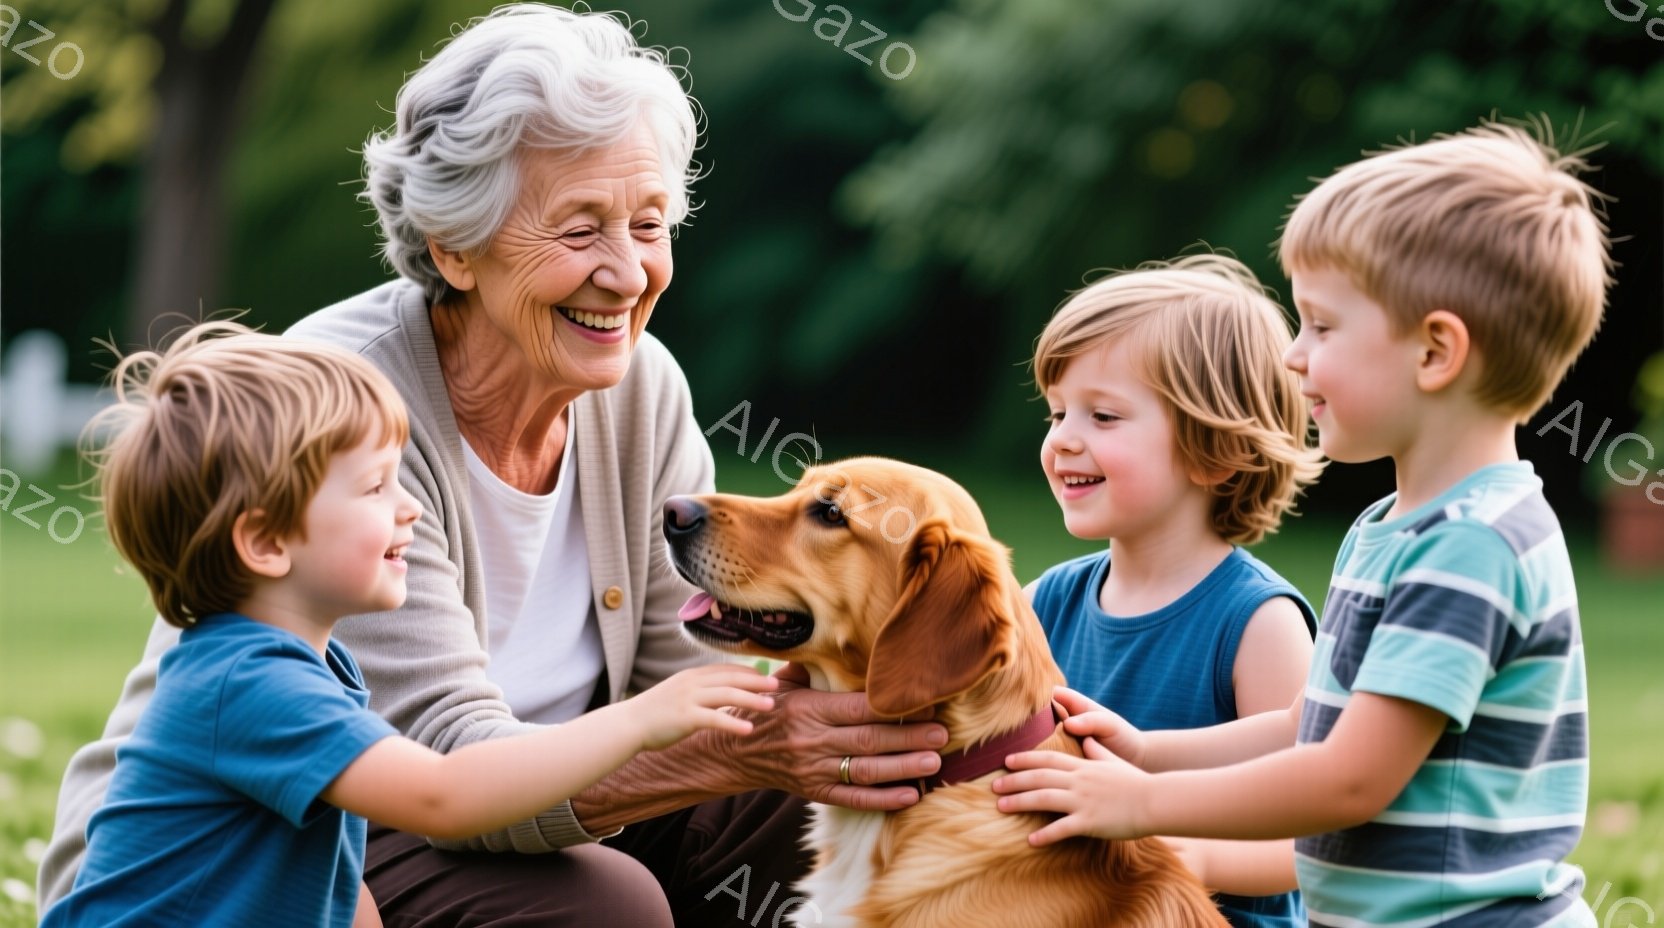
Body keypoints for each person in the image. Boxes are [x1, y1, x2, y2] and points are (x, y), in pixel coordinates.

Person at [40, 6, 946, 924]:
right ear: (455, 248)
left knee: (838, 786)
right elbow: (450, 775)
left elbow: (694, 678)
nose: (628, 273)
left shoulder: (642, 387)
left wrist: (867, 727)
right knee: (608, 905)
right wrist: (723, 742)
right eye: (580, 230)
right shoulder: (340, 410)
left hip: (510, 801)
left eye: (648, 223)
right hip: (290, 844)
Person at [994, 120, 1610, 928]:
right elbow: (1305, 725)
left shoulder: (1472, 545)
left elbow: (1350, 779)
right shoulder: (1395, 527)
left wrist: (1145, 805)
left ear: (1435, 352)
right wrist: (1149, 751)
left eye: (1321, 326)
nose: (1293, 356)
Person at [39, 324, 777, 927]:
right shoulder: (247, 682)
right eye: (373, 487)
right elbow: (445, 795)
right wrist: (639, 721)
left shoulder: (309, 666)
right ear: (264, 541)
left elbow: (341, 891)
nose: (410, 506)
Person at [1026, 253, 1325, 927]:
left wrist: (1177, 855)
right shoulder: (1044, 602)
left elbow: (1313, 839)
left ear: (1214, 451)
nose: (1063, 440)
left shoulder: (1259, 623)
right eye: (1057, 413)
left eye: (1103, 416)